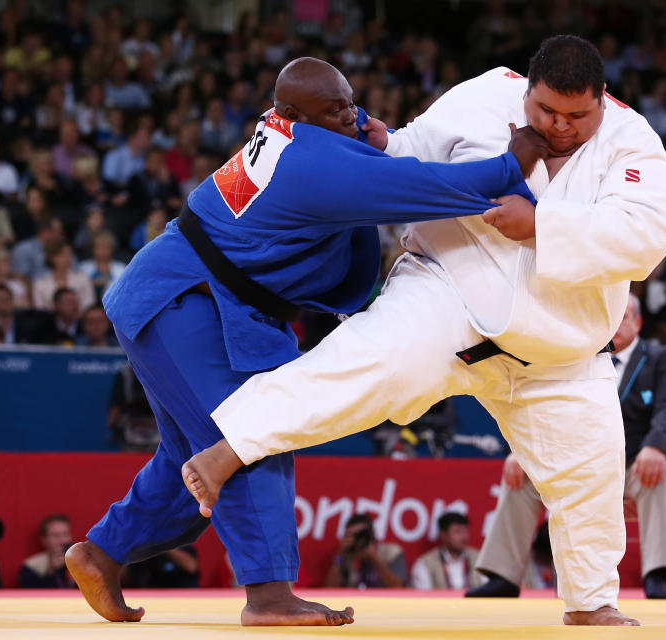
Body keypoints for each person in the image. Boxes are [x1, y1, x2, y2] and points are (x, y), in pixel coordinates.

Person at [184, 36, 666, 626]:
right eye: (546, 110)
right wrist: (385, 144)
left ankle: (591, 603)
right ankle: (230, 446)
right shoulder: (485, 94)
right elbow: (415, 145)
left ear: (602, 100)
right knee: (368, 362)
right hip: (450, 289)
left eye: (578, 115)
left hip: (560, 352)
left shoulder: (634, 144)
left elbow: (648, 235)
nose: (561, 126)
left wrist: (541, 225)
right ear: (527, 88)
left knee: (591, 471)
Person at [64, 57, 544, 628]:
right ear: (292, 113)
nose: (349, 116)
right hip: (187, 299)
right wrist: (514, 162)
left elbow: (347, 125)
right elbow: (427, 187)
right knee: (247, 434)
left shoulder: (295, 130)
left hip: (184, 293)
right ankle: (268, 596)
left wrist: (367, 124)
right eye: (335, 110)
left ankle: (100, 555)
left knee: (189, 458)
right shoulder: (309, 162)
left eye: (349, 103)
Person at [465, 294, 666, 600]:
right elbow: (546, 406)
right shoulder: (576, 354)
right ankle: (502, 574)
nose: (616, 322)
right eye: (612, 314)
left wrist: (657, 447)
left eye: (624, 316)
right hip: (580, 459)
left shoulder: (662, 357)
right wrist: (521, 451)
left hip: (634, 461)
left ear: (638, 323)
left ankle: (657, 574)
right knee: (521, 469)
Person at [323, 513, 407, 589]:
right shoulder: (346, 556)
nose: (357, 539)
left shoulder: (391, 552)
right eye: (352, 535)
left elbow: (397, 587)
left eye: (361, 535)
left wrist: (375, 558)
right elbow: (330, 589)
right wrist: (339, 554)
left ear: (372, 534)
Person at [410, 512, 483, 590]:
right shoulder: (425, 563)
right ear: (443, 535)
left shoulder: (480, 559)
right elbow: (423, 598)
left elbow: (489, 591)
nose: (464, 537)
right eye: (457, 532)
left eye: (465, 531)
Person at [19, 514, 75, 588]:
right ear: (43, 540)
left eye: (65, 534)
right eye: (55, 536)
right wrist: (51, 571)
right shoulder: (32, 566)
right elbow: (33, 595)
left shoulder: (83, 560)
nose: (62, 541)